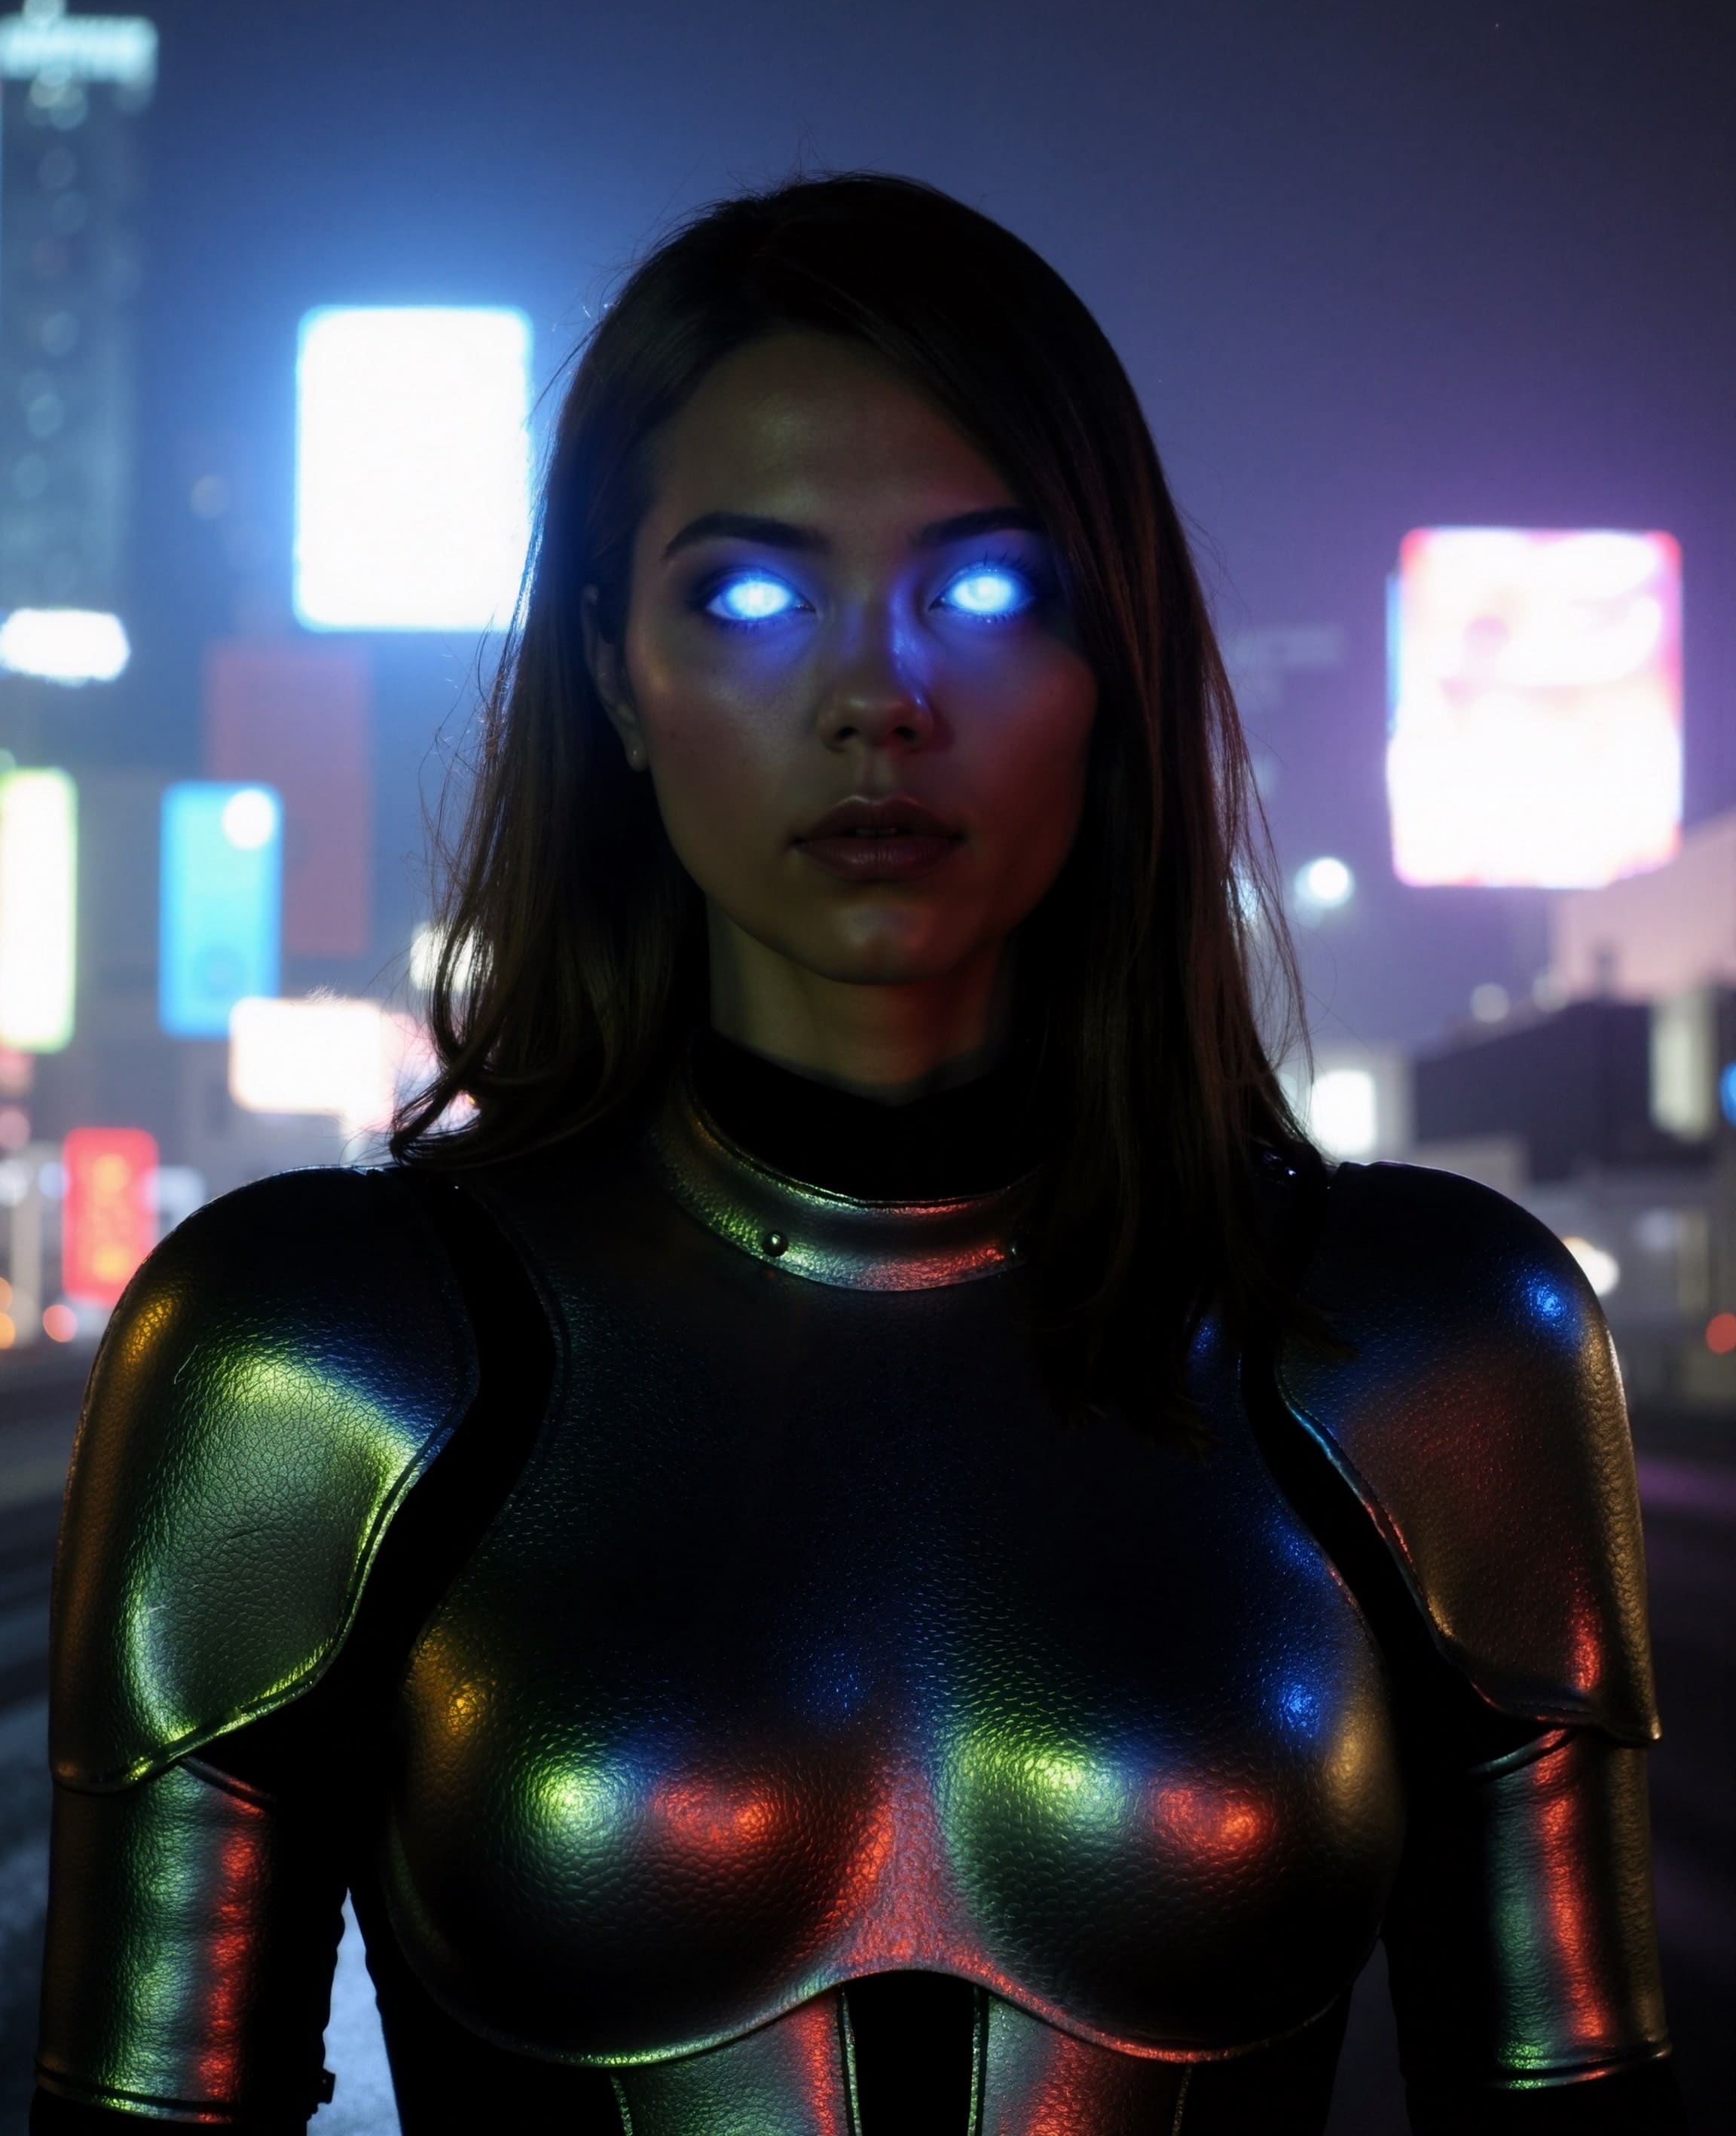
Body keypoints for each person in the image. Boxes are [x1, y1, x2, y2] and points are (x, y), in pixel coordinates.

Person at [33, 175, 1683, 2135]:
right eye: (746, 592)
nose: (877, 697)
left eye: (986, 589)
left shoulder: (1431, 1342)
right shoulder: (316, 1354)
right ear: (608, 673)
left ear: (1115, 665)